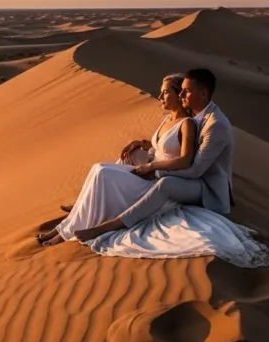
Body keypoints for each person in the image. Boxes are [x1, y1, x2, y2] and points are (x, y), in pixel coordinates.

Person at [36, 73, 197, 247]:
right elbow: (162, 146)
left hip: (154, 184)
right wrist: (140, 143)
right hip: (147, 172)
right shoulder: (168, 119)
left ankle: (65, 232)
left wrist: (151, 166)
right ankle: (67, 223)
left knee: (103, 173)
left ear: (179, 94)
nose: (160, 97)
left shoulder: (187, 124)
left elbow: (185, 160)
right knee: (99, 168)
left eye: (165, 92)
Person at [73, 68, 234, 241]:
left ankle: (111, 225)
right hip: (186, 172)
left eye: (186, 91)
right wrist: (144, 145)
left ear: (203, 94)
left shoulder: (215, 125)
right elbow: (176, 142)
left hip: (204, 186)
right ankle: (95, 198)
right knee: (132, 155)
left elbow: (195, 170)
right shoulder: (195, 114)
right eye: (181, 91)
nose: (181, 96)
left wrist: (154, 170)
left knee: (165, 183)